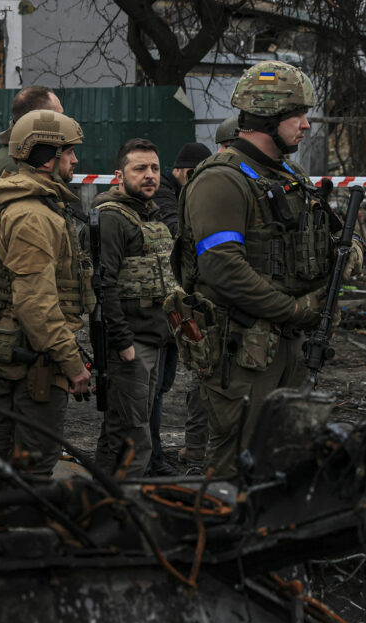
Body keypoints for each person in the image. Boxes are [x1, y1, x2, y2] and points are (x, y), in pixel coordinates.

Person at [175, 60, 363, 475]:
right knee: (238, 463)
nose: (306, 126)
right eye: (298, 116)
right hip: (244, 351)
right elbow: (222, 268)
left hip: (290, 346)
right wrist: (295, 310)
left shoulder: (288, 174)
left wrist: (348, 258)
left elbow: (328, 240)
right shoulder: (221, 180)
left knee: (284, 460)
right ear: (268, 117)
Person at [0, 110, 92, 488]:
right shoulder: (33, 216)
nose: (75, 160)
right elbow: (36, 304)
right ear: (49, 157)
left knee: (7, 458)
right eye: (69, 152)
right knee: (33, 467)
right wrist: (72, 363)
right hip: (37, 362)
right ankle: (18, 535)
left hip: (25, 354)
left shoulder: (28, 206)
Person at [88, 138, 174, 476]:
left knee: (124, 429)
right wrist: (122, 342)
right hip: (132, 344)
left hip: (153, 338)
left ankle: (106, 503)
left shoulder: (148, 213)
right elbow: (104, 286)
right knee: (132, 436)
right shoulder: (112, 218)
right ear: (119, 175)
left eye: (154, 168)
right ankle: (120, 508)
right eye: (140, 169)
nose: (150, 175)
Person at [146, 141, 212, 476]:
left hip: (169, 308)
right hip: (154, 314)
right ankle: (151, 459)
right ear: (186, 172)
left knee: (161, 386)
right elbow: (176, 232)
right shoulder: (166, 195)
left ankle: (154, 456)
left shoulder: (175, 191)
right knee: (153, 391)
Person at [0, 86, 64, 230]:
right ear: (36, 121)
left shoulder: (24, 156)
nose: (64, 123)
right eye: (59, 117)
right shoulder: (16, 165)